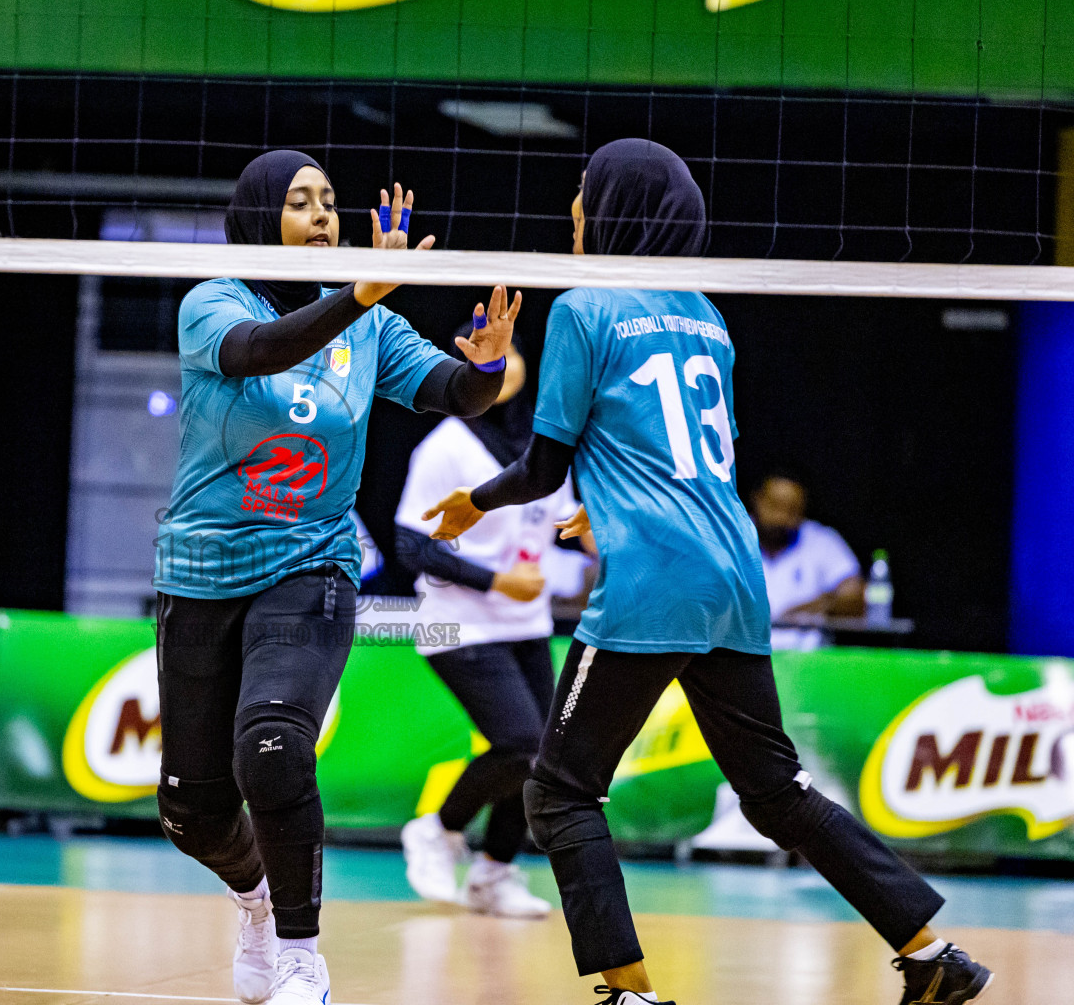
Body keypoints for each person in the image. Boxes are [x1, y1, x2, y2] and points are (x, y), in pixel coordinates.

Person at [422, 139, 992, 1005]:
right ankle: (932, 952)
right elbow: (676, 459)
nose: (573, 207)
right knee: (776, 788)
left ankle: (630, 993)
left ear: (616, 209)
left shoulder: (584, 309)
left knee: (560, 791)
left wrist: (473, 503)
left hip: (654, 580)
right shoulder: (706, 314)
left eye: (584, 192)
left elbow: (541, 468)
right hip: (729, 574)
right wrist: (605, 508)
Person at [152, 149, 518, 1005]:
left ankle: (301, 958)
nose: (322, 217)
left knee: (273, 750)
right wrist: (355, 295)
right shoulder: (212, 303)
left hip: (309, 567)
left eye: (328, 203)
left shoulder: (373, 328)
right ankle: (253, 903)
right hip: (202, 571)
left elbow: (449, 392)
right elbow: (260, 351)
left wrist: (489, 369)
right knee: (191, 812)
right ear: (258, 221)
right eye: (299, 204)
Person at [393, 329, 572, 919]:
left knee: (543, 756)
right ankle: (436, 830)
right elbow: (410, 546)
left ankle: (493, 875)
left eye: (512, 353)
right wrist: (496, 582)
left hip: (525, 621)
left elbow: (551, 532)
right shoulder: (445, 446)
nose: (504, 365)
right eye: (484, 358)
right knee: (520, 743)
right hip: (456, 621)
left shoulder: (545, 449)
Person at [749, 469, 865, 650]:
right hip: (741, 660)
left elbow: (855, 597)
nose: (781, 518)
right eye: (775, 506)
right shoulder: (731, 538)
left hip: (806, 662)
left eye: (791, 510)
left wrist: (815, 606)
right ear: (757, 499)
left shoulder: (821, 540)